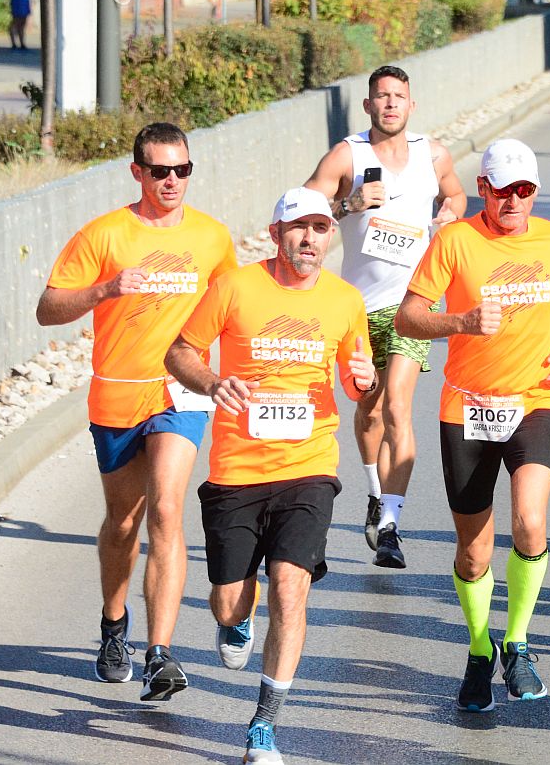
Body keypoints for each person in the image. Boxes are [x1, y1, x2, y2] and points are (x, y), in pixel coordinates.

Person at [164, 187, 373, 764]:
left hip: (309, 466)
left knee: (289, 586)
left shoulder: (345, 299)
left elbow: (357, 383)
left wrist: (365, 380)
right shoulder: (235, 287)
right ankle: (237, 623)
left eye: (321, 228)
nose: (310, 238)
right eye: (298, 227)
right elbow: (180, 351)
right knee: (230, 602)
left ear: (330, 237)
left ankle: (264, 724)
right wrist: (213, 383)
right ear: (277, 232)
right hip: (237, 469)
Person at [38, 121, 238, 702]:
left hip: (180, 392)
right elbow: (48, 308)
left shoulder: (212, 237)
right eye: (160, 170)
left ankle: (160, 654)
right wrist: (104, 290)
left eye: (182, 170)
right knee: (123, 521)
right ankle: (113, 625)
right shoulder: (104, 234)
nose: (172, 180)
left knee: (167, 511)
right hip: (118, 393)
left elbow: (236, 308)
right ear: (137, 172)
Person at [396, 139, 550, 710]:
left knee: (530, 521)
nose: (513, 201)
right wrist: (460, 321)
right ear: (482, 187)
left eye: (523, 190)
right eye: (502, 189)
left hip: (534, 399)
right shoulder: (455, 241)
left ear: (535, 191)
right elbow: (408, 318)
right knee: (474, 553)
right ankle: (480, 649)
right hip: (466, 407)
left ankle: (518, 643)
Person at [302, 64, 467, 568]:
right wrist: (348, 204)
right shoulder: (347, 155)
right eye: (382, 96)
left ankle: (392, 523)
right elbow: (302, 212)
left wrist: (451, 213)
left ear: (411, 105)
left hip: (413, 303)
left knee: (397, 404)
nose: (391, 103)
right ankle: (375, 493)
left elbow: (456, 193)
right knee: (369, 409)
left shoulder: (432, 153)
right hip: (358, 307)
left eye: (399, 96)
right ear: (368, 105)